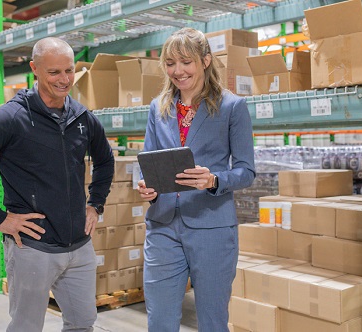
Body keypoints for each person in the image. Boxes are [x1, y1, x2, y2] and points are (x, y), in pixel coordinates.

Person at [0, 37, 115, 332]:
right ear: (35, 69)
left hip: (79, 247)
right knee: (26, 327)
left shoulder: (82, 117)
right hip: (33, 248)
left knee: (83, 323)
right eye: (54, 73)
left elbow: (106, 160)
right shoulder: (11, 117)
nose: (64, 80)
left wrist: (95, 204)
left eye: (69, 71)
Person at [136, 28, 255, 331]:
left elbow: (246, 171)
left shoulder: (232, 107)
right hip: (163, 224)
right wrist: (146, 186)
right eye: (170, 63)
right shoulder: (158, 107)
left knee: (213, 321)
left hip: (212, 226)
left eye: (185, 62)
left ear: (205, 61)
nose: (178, 71)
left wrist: (214, 180)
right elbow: (148, 160)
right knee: (160, 320)